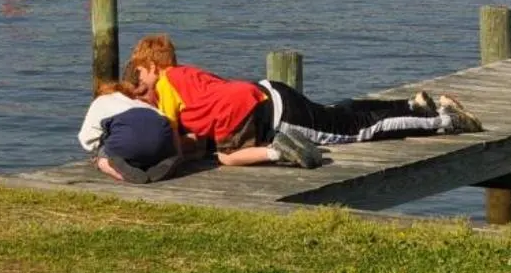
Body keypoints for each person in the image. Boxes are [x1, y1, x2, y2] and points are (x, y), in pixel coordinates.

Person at [123, 33, 481, 172]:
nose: (144, 95)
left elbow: (170, 137)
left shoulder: (166, 85)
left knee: (357, 131)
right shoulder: (189, 74)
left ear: (152, 68)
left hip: (271, 116)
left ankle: (446, 121)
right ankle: (411, 106)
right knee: (338, 114)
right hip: (267, 92)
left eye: (141, 84)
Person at [79, 81, 181, 184]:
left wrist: (100, 150)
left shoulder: (101, 100)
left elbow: (87, 139)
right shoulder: (141, 103)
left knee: (102, 156)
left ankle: (121, 172)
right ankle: (163, 162)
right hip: (162, 141)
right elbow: (169, 124)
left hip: (129, 140)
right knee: (144, 146)